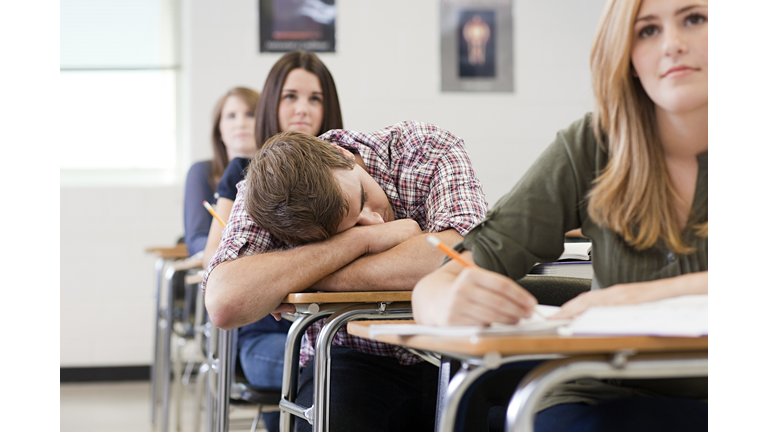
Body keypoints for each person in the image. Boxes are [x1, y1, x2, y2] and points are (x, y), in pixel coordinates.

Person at [412, 0, 708, 430]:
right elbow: (439, 283)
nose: (672, 45)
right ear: (626, 56)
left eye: (695, 19)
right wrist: (444, 304)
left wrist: (631, 298)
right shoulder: (591, 146)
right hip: (601, 394)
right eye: (646, 30)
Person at [204, 121, 488, 431]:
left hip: (452, 349)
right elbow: (224, 301)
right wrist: (360, 242)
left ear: (342, 154)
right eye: (351, 227)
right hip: (349, 355)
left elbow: (461, 256)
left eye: (364, 197)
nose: (376, 221)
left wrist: (301, 274)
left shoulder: (426, 149)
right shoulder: (268, 195)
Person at [199, 51, 344, 432]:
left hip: (333, 327)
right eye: (290, 97)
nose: (303, 109)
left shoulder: (345, 168)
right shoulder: (242, 171)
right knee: (330, 371)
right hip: (266, 335)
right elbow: (212, 265)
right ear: (271, 103)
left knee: (361, 367)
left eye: (315, 99)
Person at [183, 87, 259, 256]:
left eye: (250, 114)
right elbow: (196, 239)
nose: (241, 123)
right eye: (231, 116)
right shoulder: (201, 172)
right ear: (219, 131)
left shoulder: (280, 175)